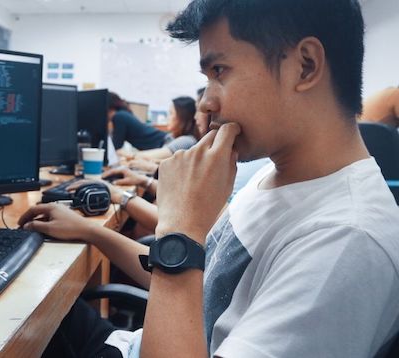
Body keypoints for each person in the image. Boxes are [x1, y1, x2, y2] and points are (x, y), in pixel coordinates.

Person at [20, 1, 399, 357]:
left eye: (219, 71)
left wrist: (181, 227)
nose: (205, 102)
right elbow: (195, 285)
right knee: (25, 306)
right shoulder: (276, 175)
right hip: (138, 342)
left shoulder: (347, 240)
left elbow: (182, 272)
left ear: (305, 66)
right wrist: (92, 233)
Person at [133, 96, 201, 161]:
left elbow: (149, 157)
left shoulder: (187, 141)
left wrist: (127, 154)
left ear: (183, 117)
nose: (167, 118)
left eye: (171, 113)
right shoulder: (171, 137)